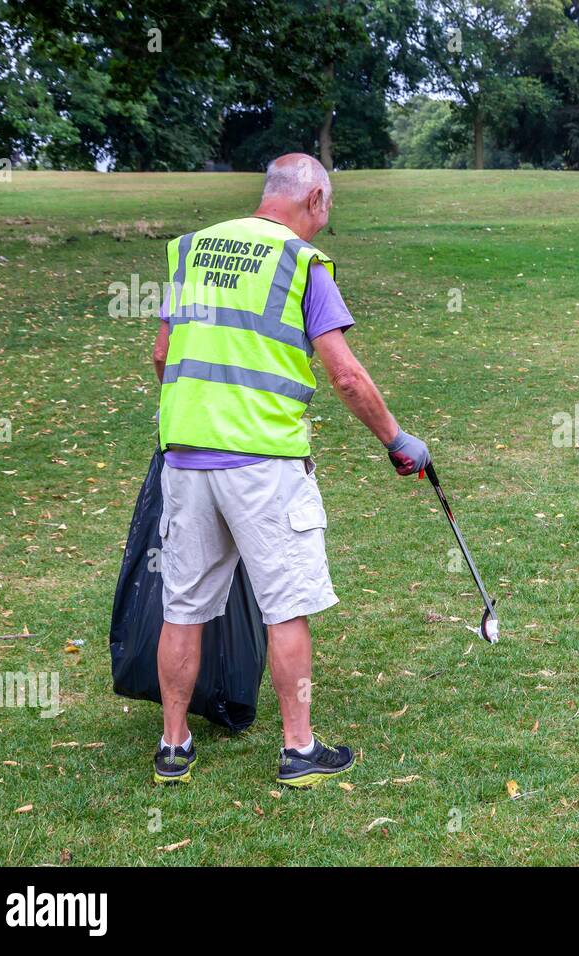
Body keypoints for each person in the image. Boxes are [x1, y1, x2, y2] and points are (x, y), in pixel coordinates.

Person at [149, 152, 428, 787]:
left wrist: (187, 420)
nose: (326, 221)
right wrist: (396, 439)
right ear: (315, 199)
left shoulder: (190, 250)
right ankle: (298, 750)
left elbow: (164, 353)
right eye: (328, 208)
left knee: (183, 607)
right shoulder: (302, 264)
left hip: (187, 458)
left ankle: (174, 746)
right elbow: (347, 376)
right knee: (286, 607)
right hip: (264, 465)